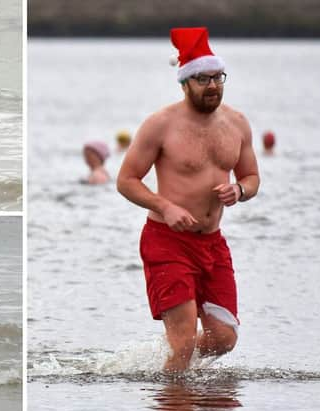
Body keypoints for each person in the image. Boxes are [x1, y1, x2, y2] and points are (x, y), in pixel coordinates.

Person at [117, 27, 260, 373]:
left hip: (212, 244)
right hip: (167, 241)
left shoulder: (237, 123)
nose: (212, 86)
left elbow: (252, 178)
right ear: (184, 83)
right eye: (202, 79)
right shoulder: (160, 125)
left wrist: (239, 191)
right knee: (183, 341)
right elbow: (126, 180)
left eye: (217, 77)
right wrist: (165, 206)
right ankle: (175, 406)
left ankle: (167, 372)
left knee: (224, 339)